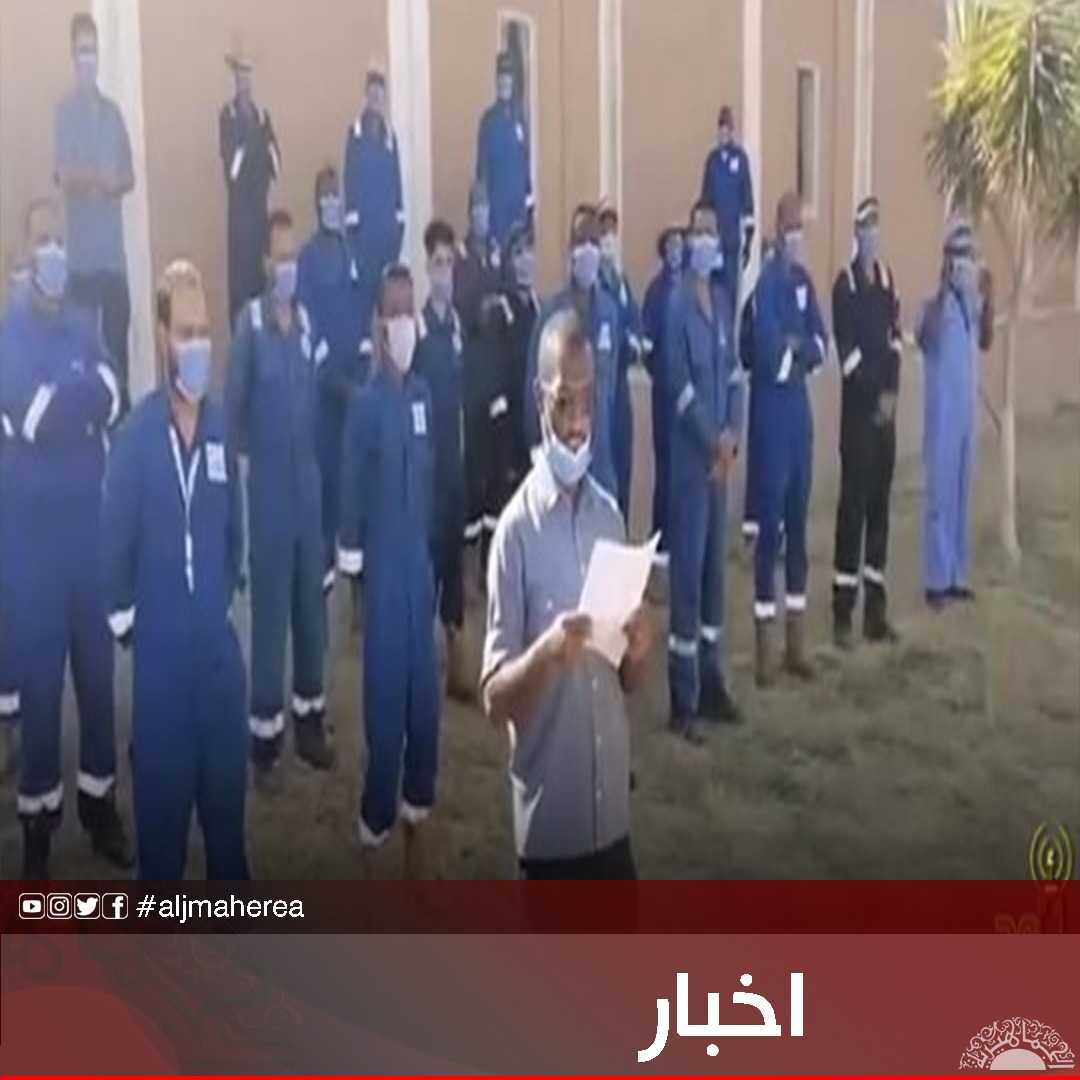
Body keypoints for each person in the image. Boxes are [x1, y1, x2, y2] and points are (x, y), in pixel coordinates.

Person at [483, 308, 654, 879]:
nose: (578, 422)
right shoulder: (516, 533)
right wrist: (547, 654)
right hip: (552, 839)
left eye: (586, 402)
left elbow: (625, 681)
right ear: (540, 400)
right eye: (563, 403)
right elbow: (494, 701)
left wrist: (640, 648)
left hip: (613, 828)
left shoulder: (609, 517)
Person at [101, 260, 249, 880]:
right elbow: (114, 548)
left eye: (205, 332)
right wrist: (136, 628)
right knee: (161, 852)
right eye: (186, 332)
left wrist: (214, 602)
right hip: (161, 676)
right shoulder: (135, 438)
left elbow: (233, 535)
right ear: (163, 337)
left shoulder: (219, 428)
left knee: (227, 843)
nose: (198, 346)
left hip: (218, 668)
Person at [0, 195, 131, 879]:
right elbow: (33, 416)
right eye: (42, 239)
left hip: (88, 537)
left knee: (99, 684)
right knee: (43, 695)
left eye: (59, 239)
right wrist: (79, 399)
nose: (52, 250)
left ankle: (99, 806)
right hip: (34, 549)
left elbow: (114, 393)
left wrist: (74, 396)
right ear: (27, 255)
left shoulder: (85, 323)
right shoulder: (9, 335)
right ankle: (38, 829)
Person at [338, 265, 439, 876]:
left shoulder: (423, 397)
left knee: (423, 702)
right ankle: (375, 820)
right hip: (382, 575)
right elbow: (351, 489)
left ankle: (416, 811)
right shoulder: (367, 403)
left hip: (418, 573)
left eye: (410, 310)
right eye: (394, 311)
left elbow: (432, 479)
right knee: (386, 705)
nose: (404, 323)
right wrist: (355, 577)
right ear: (379, 323)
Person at [227, 209, 332, 789]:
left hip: (307, 492)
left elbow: (317, 400)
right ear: (267, 261)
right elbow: (232, 412)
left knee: (310, 613)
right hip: (268, 496)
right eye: (281, 256)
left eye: (295, 257)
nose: (289, 267)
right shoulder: (250, 326)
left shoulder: (309, 323)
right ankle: (264, 738)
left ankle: (310, 720)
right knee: (269, 620)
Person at [666, 202, 744, 742]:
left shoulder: (721, 302)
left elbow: (733, 374)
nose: (705, 241)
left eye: (712, 233)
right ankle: (683, 698)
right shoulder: (676, 306)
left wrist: (732, 432)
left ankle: (713, 684)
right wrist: (711, 438)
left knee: (716, 576)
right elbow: (678, 386)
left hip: (720, 463)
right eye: (698, 232)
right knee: (688, 579)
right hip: (692, 464)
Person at [749, 193, 826, 688]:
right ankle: (764, 647)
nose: (796, 235)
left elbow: (820, 341)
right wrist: (797, 352)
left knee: (798, 524)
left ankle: (796, 642)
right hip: (773, 417)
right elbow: (767, 349)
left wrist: (800, 350)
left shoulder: (803, 282)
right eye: (790, 227)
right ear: (777, 230)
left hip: (799, 415)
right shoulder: (767, 284)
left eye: (801, 227)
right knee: (771, 529)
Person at [297, 166, 373, 597]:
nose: (331, 202)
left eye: (335, 195)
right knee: (327, 488)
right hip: (325, 397)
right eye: (324, 195)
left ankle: (357, 585)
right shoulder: (308, 258)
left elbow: (363, 311)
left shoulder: (351, 252)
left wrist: (362, 363)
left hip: (354, 392)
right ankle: (324, 588)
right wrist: (337, 382)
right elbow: (310, 325)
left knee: (355, 485)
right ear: (317, 203)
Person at [831, 197, 904, 647]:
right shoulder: (845, 285)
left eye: (876, 227)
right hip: (858, 418)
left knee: (880, 509)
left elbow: (895, 340)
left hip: (884, 418)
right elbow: (849, 357)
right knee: (853, 511)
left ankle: (876, 613)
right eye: (865, 228)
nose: (872, 236)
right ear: (856, 234)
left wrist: (892, 393)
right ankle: (843, 613)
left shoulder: (887, 279)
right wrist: (877, 395)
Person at [55, 11, 135, 410]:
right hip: (82, 263)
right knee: (83, 356)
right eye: (82, 51)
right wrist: (96, 177)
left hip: (112, 261)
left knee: (118, 353)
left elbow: (128, 176)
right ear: (72, 56)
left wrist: (109, 181)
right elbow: (64, 174)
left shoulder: (112, 113)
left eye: (93, 51)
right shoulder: (64, 113)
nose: (89, 59)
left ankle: (120, 426)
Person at [915, 220, 994, 609]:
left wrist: (988, 297)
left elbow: (987, 340)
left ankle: (957, 574)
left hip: (966, 416)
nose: (969, 267)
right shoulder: (934, 307)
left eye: (972, 259)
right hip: (943, 416)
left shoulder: (971, 308)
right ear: (949, 263)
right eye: (963, 259)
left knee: (962, 492)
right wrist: (944, 287)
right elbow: (924, 337)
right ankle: (936, 579)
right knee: (941, 494)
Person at [523, 204, 621, 499]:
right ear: (570, 250)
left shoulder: (610, 312)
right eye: (581, 242)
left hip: (600, 463)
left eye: (594, 241)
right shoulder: (551, 314)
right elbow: (533, 393)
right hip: (561, 463)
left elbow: (614, 393)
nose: (588, 250)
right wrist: (541, 456)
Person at [413, 220, 470, 702]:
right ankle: (419, 655)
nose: (444, 273)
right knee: (426, 560)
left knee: (453, 557)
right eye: (437, 263)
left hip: (454, 462)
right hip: (427, 465)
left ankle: (456, 658)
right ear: (426, 268)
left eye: (449, 264)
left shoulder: (457, 327)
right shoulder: (416, 331)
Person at [471, 220, 539, 569]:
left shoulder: (538, 306)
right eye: (518, 253)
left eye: (530, 251)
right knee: (499, 498)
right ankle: (491, 569)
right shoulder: (500, 307)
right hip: (504, 423)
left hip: (531, 423)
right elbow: (491, 364)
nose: (525, 260)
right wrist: (499, 414)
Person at [455, 179, 505, 553]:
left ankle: (492, 548)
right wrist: (484, 307)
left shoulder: (498, 251)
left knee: (496, 463)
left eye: (485, 206)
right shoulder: (462, 256)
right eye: (475, 207)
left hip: (497, 372)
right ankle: (471, 550)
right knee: (473, 465)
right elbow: (465, 304)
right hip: (473, 374)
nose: (481, 214)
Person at [219, 43, 280, 329]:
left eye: (248, 75)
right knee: (240, 288)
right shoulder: (228, 116)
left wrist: (262, 143)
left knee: (261, 282)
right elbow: (232, 168)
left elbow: (275, 162)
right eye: (240, 76)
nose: (245, 82)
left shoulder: (262, 116)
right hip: (240, 219)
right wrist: (251, 140)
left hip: (260, 214)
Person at [641, 225, 685, 564]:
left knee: (684, 471)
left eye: (680, 245)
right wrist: (661, 374)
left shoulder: (691, 288)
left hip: (688, 398)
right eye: (671, 246)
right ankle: (661, 545)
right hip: (665, 396)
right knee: (666, 470)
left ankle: (682, 539)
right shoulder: (656, 292)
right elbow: (648, 346)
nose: (677, 251)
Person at [597, 201, 643, 522]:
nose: (609, 240)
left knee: (624, 463)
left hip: (622, 383)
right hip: (603, 387)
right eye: (604, 233)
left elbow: (634, 321)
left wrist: (636, 340)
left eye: (613, 232)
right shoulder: (596, 285)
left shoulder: (620, 280)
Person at [344, 66, 405, 281]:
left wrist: (399, 224)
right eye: (372, 94)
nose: (376, 99)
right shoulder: (355, 135)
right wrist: (353, 231)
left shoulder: (389, 137)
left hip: (387, 231)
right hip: (365, 233)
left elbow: (397, 184)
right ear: (366, 96)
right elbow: (350, 183)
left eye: (380, 94)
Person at [475, 50, 535, 248]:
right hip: (496, 205)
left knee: (518, 249)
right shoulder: (489, 120)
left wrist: (529, 203)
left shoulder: (520, 118)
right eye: (501, 76)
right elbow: (482, 167)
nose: (504, 81)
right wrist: (483, 206)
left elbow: (526, 162)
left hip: (517, 204)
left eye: (508, 76)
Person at [699, 105, 755, 304]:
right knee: (714, 287)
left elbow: (747, 198)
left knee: (731, 290)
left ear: (732, 132)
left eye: (727, 130)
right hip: (715, 237)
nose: (723, 135)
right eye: (720, 130)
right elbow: (706, 197)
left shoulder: (740, 159)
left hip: (732, 237)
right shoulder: (712, 161)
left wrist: (748, 238)